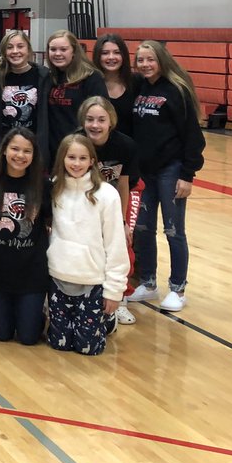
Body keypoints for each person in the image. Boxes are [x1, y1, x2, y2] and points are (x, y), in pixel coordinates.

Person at [128, 40, 206, 312]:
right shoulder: (139, 88)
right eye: (141, 60)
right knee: (143, 229)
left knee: (173, 230)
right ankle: (148, 283)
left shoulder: (176, 90)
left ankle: (178, 288)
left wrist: (188, 174)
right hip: (145, 172)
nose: (146, 64)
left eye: (150, 59)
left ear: (161, 60)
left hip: (171, 170)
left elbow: (193, 137)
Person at [46, 134, 128, 355]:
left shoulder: (107, 195)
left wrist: (114, 291)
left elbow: (116, 245)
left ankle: (107, 321)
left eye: (83, 158)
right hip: (59, 277)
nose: (76, 163)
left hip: (92, 281)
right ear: (62, 158)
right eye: (71, 157)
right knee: (60, 345)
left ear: (92, 160)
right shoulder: (53, 189)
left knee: (88, 349)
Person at [0, 128, 49, 345]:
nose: (20, 155)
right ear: (4, 151)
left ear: (34, 156)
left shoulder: (44, 186)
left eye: (27, 151)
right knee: (1, 335)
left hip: (31, 272)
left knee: (28, 338)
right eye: (15, 149)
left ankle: (37, 313)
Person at [80, 96, 140, 325]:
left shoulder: (125, 145)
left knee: (122, 247)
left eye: (101, 120)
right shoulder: (75, 141)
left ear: (111, 122)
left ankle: (121, 300)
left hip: (116, 201)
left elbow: (124, 184)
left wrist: (122, 222)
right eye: (90, 119)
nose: (95, 125)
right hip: (87, 203)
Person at [45, 29, 107, 161]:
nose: (57, 54)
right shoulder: (48, 78)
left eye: (63, 49)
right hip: (53, 151)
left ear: (73, 51)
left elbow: (102, 115)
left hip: (80, 151)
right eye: (53, 49)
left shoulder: (91, 77)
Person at [0, 30, 50, 155]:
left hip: (34, 145)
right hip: (6, 146)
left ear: (29, 50)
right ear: (4, 52)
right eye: (9, 47)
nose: (15, 51)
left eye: (20, 46)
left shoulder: (43, 76)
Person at [93, 34, 137, 137]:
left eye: (117, 52)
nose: (111, 57)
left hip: (131, 148)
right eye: (105, 53)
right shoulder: (90, 84)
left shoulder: (136, 81)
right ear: (98, 56)